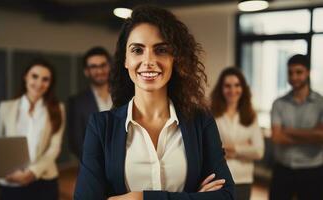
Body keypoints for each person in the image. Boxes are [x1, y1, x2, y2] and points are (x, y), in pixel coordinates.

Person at [74, 5, 234, 200]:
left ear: (175, 59)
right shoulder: (101, 126)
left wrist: (140, 198)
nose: (148, 60)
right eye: (137, 50)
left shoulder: (201, 121)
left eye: (161, 50)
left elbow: (226, 196)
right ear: (126, 60)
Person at [0, 59, 65, 200]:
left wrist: (32, 172)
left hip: (44, 179)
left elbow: (55, 148)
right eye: (34, 76)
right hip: (12, 179)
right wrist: (7, 173)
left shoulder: (58, 109)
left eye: (45, 79)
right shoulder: (6, 108)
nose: (39, 83)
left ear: (50, 84)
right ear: (25, 77)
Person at [270, 54, 323, 200]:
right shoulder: (278, 103)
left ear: (307, 73)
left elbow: (322, 137)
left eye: (299, 72)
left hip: (312, 170)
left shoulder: (321, 103)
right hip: (283, 169)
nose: (294, 77)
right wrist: (312, 135)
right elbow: (277, 137)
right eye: (290, 72)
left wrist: (289, 131)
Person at [211, 67, 264, 200]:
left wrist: (233, 149)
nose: (232, 90)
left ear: (243, 88)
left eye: (237, 85)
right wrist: (245, 147)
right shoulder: (211, 114)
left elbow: (258, 151)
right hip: (218, 179)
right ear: (221, 89)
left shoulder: (251, 115)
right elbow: (209, 149)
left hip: (243, 179)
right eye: (227, 86)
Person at [67, 47, 112, 159]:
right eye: (93, 67)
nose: (100, 71)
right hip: (94, 167)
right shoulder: (76, 102)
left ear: (109, 66)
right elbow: (76, 143)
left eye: (103, 65)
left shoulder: (125, 97)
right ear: (86, 72)